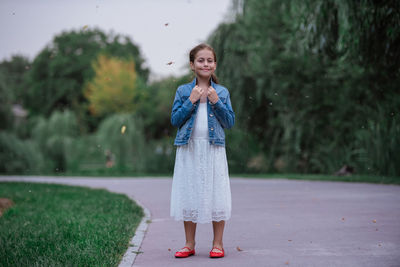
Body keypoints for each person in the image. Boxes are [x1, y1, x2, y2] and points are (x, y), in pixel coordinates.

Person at [170, 43, 235, 258]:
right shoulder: (183, 91)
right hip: (189, 149)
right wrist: (191, 101)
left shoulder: (222, 92)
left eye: (209, 60)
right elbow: (175, 120)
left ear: (215, 65)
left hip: (213, 149)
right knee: (190, 192)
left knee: (216, 193)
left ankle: (218, 244)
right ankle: (189, 243)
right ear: (192, 65)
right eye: (200, 60)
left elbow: (229, 122)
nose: (205, 64)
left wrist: (216, 102)